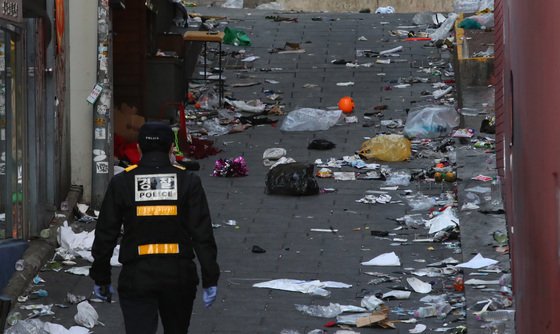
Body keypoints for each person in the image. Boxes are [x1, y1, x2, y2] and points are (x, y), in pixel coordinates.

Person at [90, 122, 219, 333]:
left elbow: (106, 234)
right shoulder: (188, 182)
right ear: (171, 149)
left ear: (139, 149)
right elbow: (202, 234)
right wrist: (210, 277)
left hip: (136, 277)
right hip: (179, 277)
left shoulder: (122, 182)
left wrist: (101, 276)